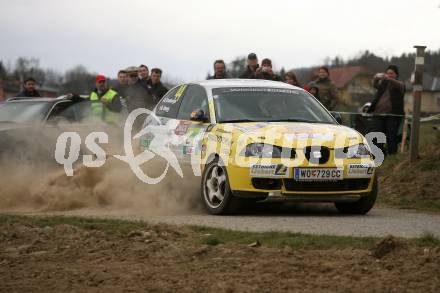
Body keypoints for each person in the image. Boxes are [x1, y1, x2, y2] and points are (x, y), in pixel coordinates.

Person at [367, 64, 405, 155]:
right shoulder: (383, 84)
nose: (389, 75)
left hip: (393, 116)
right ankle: (377, 156)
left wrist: (389, 79)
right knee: (377, 137)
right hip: (378, 114)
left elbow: (402, 87)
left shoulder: (399, 84)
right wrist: (376, 78)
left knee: (391, 137)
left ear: (396, 75)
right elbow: (375, 84)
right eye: (387, 73)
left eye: (391, 73)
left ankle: (392, 157)